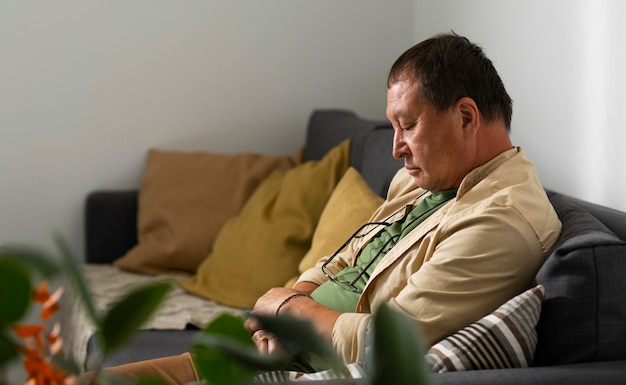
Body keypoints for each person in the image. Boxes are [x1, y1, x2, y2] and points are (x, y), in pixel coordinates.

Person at [100, 32, 562, 383]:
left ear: (465, 117)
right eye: (392, 128)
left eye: (408, 125)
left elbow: (387, 344)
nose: (396, 147)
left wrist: (288, 311)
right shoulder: (423, 180)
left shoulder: (500, 220)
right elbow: (343, 260)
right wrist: (289, 302)